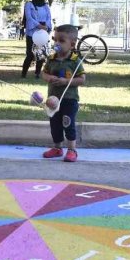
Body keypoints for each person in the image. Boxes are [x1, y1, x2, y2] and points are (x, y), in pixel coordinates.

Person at [41, 25, 87, 163]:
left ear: (72, 44)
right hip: (53, 100)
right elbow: (44, 73)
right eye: (55, 40)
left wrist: (66, 81)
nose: (56, 43)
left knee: (68, 124)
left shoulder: (75, 61)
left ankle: (72, 149)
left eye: (61, 41)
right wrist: (49, 78)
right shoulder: (51, 59)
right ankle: (57, 148)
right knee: (54, 124)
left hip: (69, 99)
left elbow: (82, 79)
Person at [21, 0, 52, 79]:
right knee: (30, 54)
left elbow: (48, 17)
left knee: (41, 54)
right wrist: (38, 25)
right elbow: (29, 18)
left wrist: (46, 26)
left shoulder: (46, 5)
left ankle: (37, 73)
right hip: (32, 32)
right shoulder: (29, 5)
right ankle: (24, 74)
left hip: (43, 33)